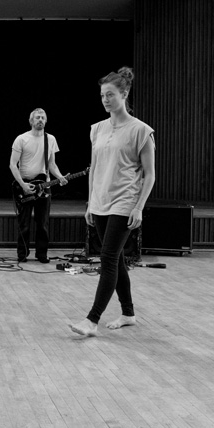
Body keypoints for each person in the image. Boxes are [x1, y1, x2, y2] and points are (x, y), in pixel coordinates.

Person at [71, 67, 155, 336]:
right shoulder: (97, 129)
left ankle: (91, 320)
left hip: (124, 201)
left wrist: (139, 207)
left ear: (124, 94)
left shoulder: (141, 130)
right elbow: (94, 168)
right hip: (100, 201)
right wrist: (90, 203)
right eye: (102, 95)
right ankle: (128, 313)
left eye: (110, 95)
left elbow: (150, 174)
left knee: (107, 258)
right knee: (116, 259)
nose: (105, 100)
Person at [9, 108, 67, 263]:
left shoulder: (51, 139)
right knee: (24, 224)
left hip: (44, 186)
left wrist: (60, 177)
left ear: (46, 121)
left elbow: (52, 164)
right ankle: (22, 254)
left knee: (43, 224)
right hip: (25, 186)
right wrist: (22, 184)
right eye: (37, 117)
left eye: (43, 117)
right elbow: (12, 165)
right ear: (31, 121)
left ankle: (42, 254)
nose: (40, 120)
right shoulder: (21, 139)